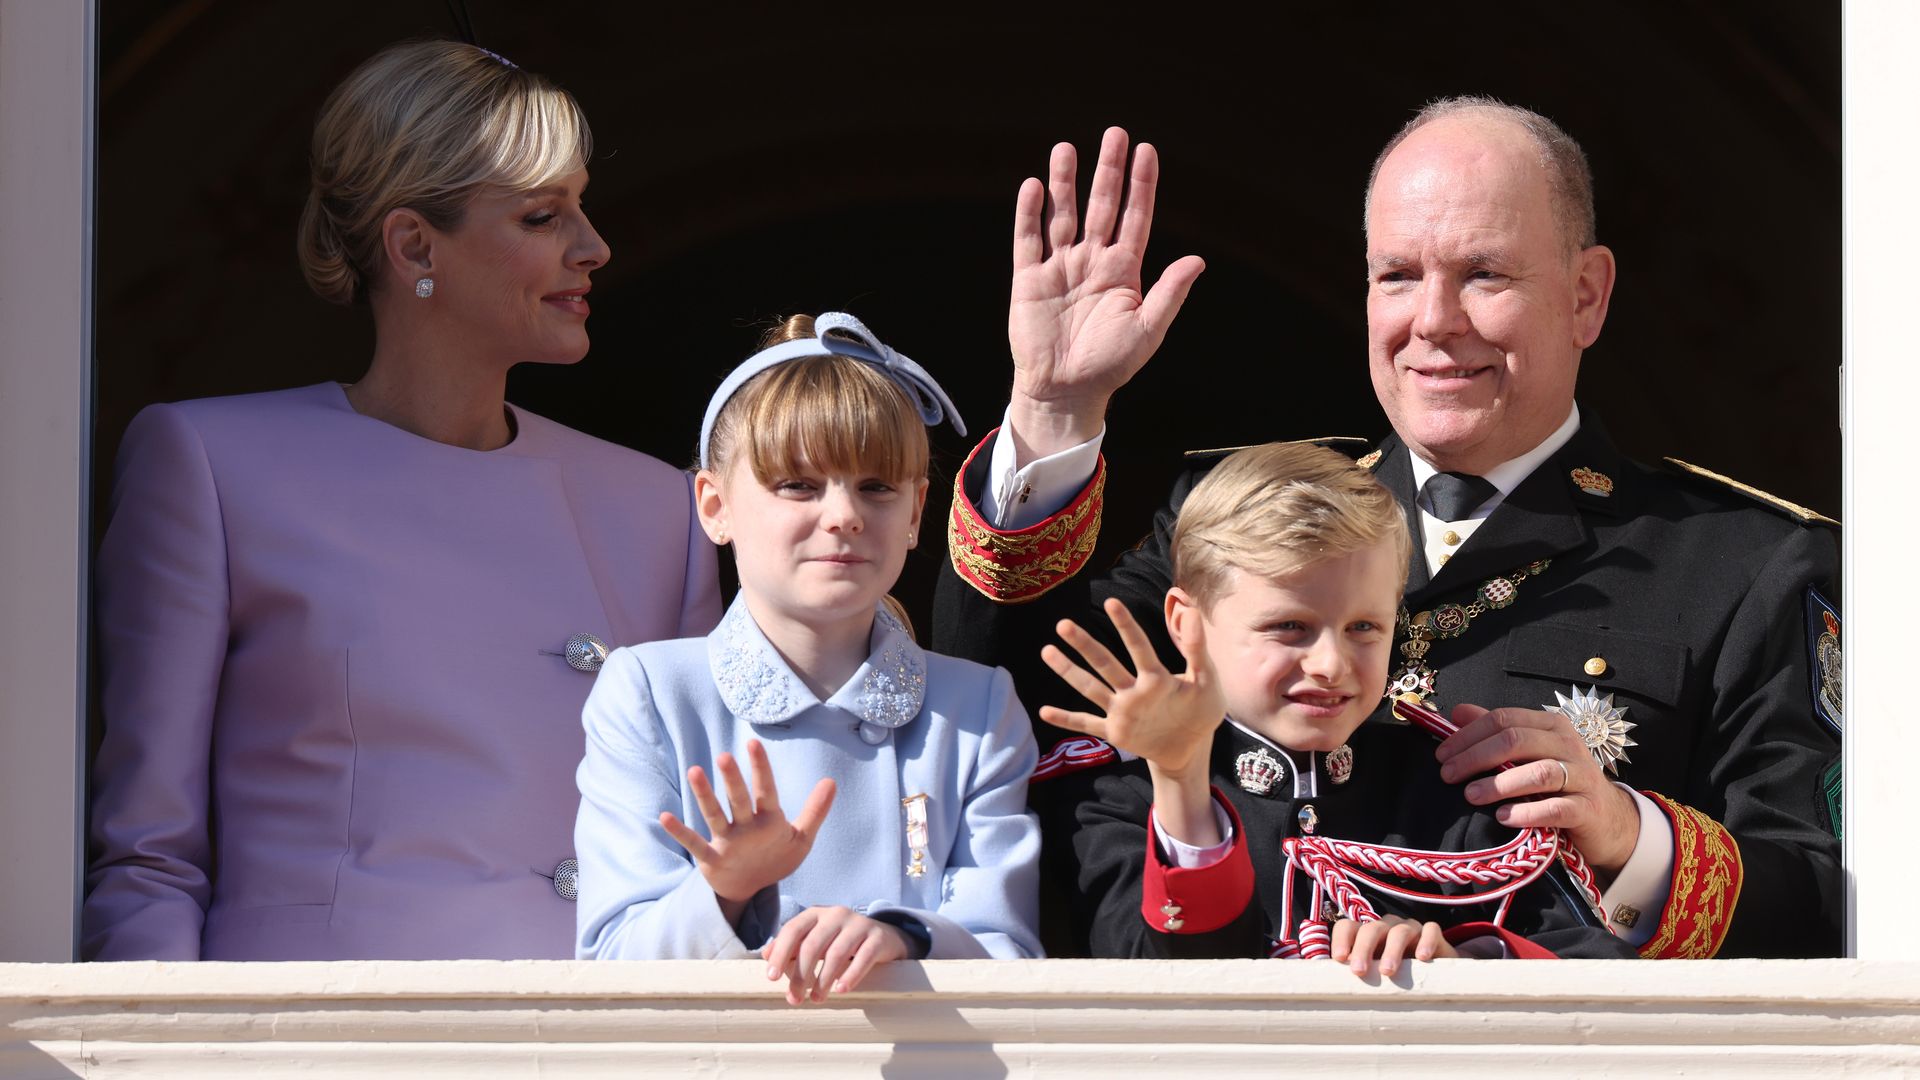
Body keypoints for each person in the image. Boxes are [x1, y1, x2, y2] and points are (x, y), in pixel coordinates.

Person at [935, 105, 1843, 959]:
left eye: (1485, 274)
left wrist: (1622, 831)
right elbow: (1001, 712)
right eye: (1398, 276)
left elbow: (1820, 905)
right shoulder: (1234, 508)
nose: (1434, 322)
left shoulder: (1744, 564)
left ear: (1586, 296)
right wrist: (1054, 412)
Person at [83, 40, 721, 961]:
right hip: (314, 1040)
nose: (594, 246)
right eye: (544, 216)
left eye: (582, 207)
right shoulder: (212, 465)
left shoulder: (660, 512)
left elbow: (690, 863)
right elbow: (149, 860)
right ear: (415, 243)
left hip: (588, 1036)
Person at [574, 314, 1042, 1002]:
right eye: (798, 484)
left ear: (917, 511)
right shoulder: (648, 690)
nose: (845, 514)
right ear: (714, 506)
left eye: (877, 487)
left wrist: (900, 935)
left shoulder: (978, 707)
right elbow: (610, 965)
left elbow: (1012, 955)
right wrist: (727, 890)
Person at [1040, 442, 1635, 967]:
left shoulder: (1453, 790)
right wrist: (1180, 780)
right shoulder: (1115, 792)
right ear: (1186, 623)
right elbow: (1174, 991)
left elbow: (1598, 973)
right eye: (1289, 626)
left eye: (1364, 627)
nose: (1330, 662)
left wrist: (1460, 959)